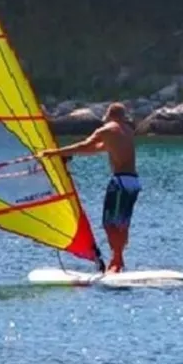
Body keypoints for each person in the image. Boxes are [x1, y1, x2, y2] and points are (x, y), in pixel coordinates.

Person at [40, 103, 141, 273]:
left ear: (109, 115)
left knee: (110, 224)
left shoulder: (107, 130)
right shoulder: (127, 131)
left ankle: (116, 262)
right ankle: (118, 260)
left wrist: (54, 153)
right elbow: (95, 149)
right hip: (133, 182)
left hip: (120, 182)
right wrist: (65, 153)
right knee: (122, 223)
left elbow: (84, 145)